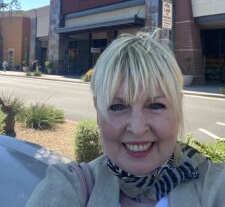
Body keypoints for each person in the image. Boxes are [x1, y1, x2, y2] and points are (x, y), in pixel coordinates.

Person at [26, 29, 225, 207]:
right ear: (98, 111)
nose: (137, 129)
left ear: (178, 108)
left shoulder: (215, 186)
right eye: (118, 106)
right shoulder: (69, 187)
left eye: (156, 105)